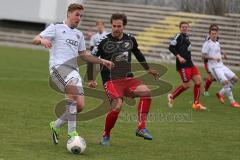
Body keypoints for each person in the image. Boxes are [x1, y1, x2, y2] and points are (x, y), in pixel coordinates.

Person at [32, 3, 114, 145]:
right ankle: (72, 134)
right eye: (77, 14)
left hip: (73, 71)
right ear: (69, 13)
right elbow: (35, 39)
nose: (79, 18)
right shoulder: (56, 27)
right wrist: (42, 39)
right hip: (59, 68)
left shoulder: (79, 34)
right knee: (72, 91)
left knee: (80, 106)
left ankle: (56, 125)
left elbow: (84, 56)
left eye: (81, 16)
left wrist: (102, 61)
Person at [88, 13, 159, 146]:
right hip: (111, 81)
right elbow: (92, 59)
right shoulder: (103, 41)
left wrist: (148, 69)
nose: (116, 29)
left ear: (124, 26)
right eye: (114, 26)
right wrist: (91, 78)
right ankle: (106, 135)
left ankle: (141, 128)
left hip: (128, 79)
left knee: (147, 93)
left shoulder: (130, 39)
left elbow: (137, 53)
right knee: (117, 105)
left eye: (119, 26)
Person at [168, 21, 206, 110]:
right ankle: (171, 96)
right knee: (187, 85)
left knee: (198, 81)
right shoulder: (178, 36)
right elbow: (170, 47)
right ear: (180, 28)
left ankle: (196, 104)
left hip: (190, 63)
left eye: (186, 27)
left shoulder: (187, 37)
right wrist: (179, 57)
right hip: (183, 65)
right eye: (183, 27)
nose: (185, 28)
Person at [202, 29, 240, 108]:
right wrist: (213, 58)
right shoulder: (207, 44)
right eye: (212, 34)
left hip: (221, 66)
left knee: (235, 79)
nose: (214, 35)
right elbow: (203, 56)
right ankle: (232, 102)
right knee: (225, 82)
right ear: (209, 35)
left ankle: (220, 93)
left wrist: (223, 54)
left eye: (215, 33)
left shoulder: (217, 43)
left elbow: (218, 50)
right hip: (214, 68)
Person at [203, 24, 227, 96]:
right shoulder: (208, 38)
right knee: (212, 77)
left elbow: (217, 47)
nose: (215, 31)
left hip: (215, 62)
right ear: (210, 31)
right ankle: (205, 90)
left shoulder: (217, 38)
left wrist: (223, 53)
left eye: (216, 29)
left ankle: (207, 80)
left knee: (215, 78)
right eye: (213, 29)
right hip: (208, 61)